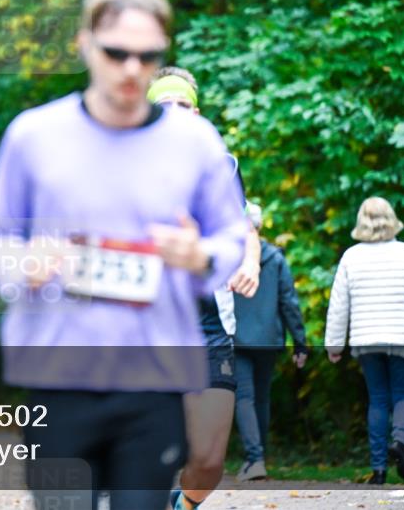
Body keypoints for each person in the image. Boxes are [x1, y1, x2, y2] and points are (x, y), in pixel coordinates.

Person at [0, 0, 247, 510]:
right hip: (57, 371)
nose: (132, 69)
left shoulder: (196, 143)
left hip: (154, 375)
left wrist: (200, 256)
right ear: (84, 44)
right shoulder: (33, 136)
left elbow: (232, 237)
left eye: (148, 57)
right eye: (116, 52)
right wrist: (22, 264)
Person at [147, 67, 261, 510]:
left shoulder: (221, 166)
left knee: (210, 460)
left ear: (196, 112)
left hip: (211, 326)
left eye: (181, 106)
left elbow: (244, 228)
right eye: (162, 107)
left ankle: (183, 503)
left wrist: (249, 261)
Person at [324, 196, 404, 485]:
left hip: (366, 339)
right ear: (391, 219)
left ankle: (378, 470)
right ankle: (401, 442)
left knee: (377, 400)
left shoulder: (350, 257)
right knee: (403, 394)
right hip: (402, 336)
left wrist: (333, 345)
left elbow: (339, 305)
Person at [232, 202, 308, 482]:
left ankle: (255, 458)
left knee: (244, 397)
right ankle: (258, 457)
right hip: (268, 339)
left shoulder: (230, 257)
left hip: (237, 338)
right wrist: (300, 342)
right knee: (260, 398)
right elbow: (289, 301)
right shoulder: (276, 257)